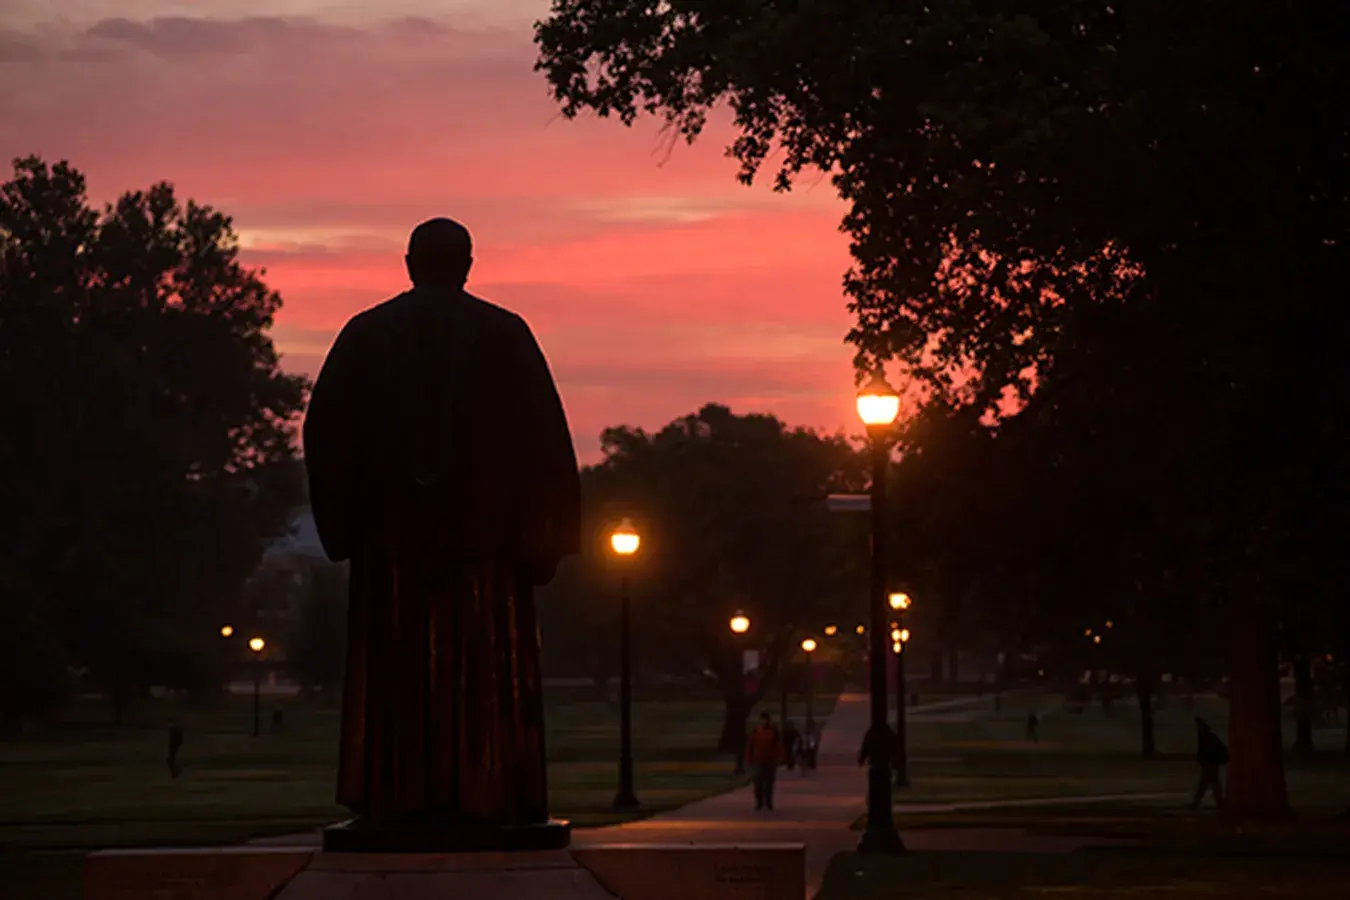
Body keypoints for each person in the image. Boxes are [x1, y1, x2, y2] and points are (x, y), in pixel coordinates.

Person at [304, 218, 581, 833]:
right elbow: (545, 441)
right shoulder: (506, 335)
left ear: (408, 263)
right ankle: (489, 796)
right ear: (468, 265)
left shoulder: (365, 336)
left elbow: (324, 435)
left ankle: (395, 797)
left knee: (400, 675)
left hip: (394, 549)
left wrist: (348, 521)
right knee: (485, 673)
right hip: (486, 549)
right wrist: (545, 538)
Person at [745, 713, 783, 811]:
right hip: (758, 761)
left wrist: (779, 758)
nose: (763, 722)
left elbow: (778, 746)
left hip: (770, 761)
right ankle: (759, 802)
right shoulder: (755, 732)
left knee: (769, 783)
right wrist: (749, 760)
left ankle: (769, 802)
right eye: (762, 720)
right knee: (758, 783)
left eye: (765, 720)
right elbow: (750, 746)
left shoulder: (774, 732)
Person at [1191, 717, 1228, 810]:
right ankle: (1220, 804)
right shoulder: (1209, 737)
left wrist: (1203, 760)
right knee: (1212, 784)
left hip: (1210, 764)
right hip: (1212, 764)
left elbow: (1205, 752)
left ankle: (1196, 804)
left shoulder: (1205, 737)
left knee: (1205, 784)